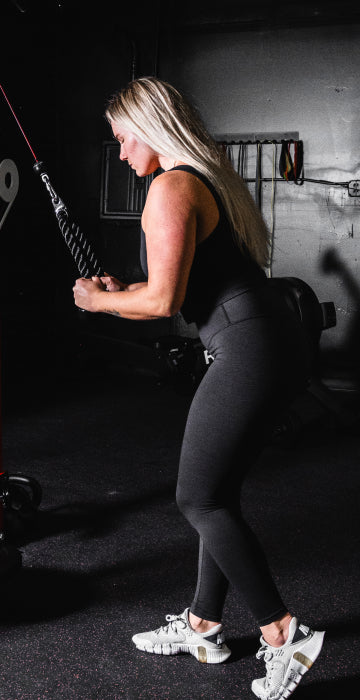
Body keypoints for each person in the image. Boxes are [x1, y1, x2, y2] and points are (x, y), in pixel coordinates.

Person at [72, 77, 325, 700]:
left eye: (125, 139)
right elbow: (179, 280)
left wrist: (96, 302)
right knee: (218, 493)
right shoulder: (201, 178)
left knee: (198, 498)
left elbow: (162, 302)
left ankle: (284, 634)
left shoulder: (170, 186)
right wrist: (116, 293)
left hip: (248, 349)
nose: (123, 154)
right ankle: (204, 624)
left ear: (150, 128)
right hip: (267, 340)